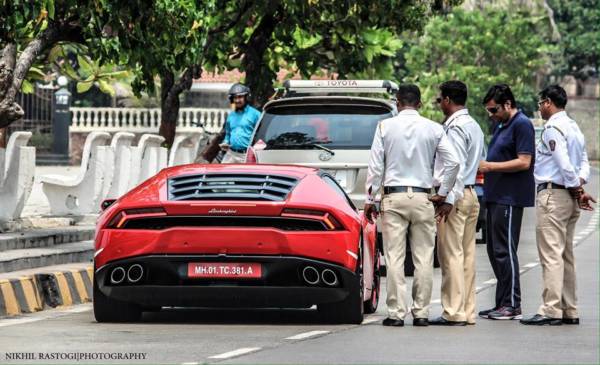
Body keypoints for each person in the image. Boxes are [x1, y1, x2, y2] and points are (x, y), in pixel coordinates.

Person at [364, 84, 460, 327]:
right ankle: (421, 313)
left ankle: (396, 314)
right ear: (419, 104)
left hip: (393, 198)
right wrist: (444, 192)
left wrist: (370, 198)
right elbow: (454, 163)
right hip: (423, 198)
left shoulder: (385, 127)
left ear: (397, 103)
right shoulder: (434, 128)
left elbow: (376, 167)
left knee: (394, 258)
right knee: (424, 257)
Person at [520, 84, 596, 326]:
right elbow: (583, 163)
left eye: (541, 104)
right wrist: (579, 187)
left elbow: (563, 164)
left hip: (553, 195)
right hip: (570, 197)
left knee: (551, 255)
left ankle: (550, 309)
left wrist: (576, 188)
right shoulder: (573, 126)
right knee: (566, 255)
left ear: (548, 103)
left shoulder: (552, 128)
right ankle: (569, 309)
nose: (540, 108)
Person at [430, 81, 485, 326]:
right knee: (467, 256)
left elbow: (456, 166)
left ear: (448, 100)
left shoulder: (454, 128)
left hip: (456, 196)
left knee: (451, 254)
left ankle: (453, 312)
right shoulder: (475, 126)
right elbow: (476, 163)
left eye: (440, 99)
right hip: (472, 195)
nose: (439, 103)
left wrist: (446, 198)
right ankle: (467, 311)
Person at [478, 84, 535, 320]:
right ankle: (501, 302)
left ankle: (512, 304)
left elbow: (524, 161)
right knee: (494, 251)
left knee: (505, 251)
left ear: (508, 104)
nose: (491, 115)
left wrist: (489, 166)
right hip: (494, 195)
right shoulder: (501, 124)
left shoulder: (522, 124)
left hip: (509, 198)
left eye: (494, 110)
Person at [219, 83, 261, 163]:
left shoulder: (255, 114)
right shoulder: (231, 115)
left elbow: (261, 134)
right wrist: (225, 142)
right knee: (221, 173)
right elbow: (228, 134)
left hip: (246, 155)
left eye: (240, 97)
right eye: (235, 98)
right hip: (231, 154)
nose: (237, 100)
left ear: (246, 97)